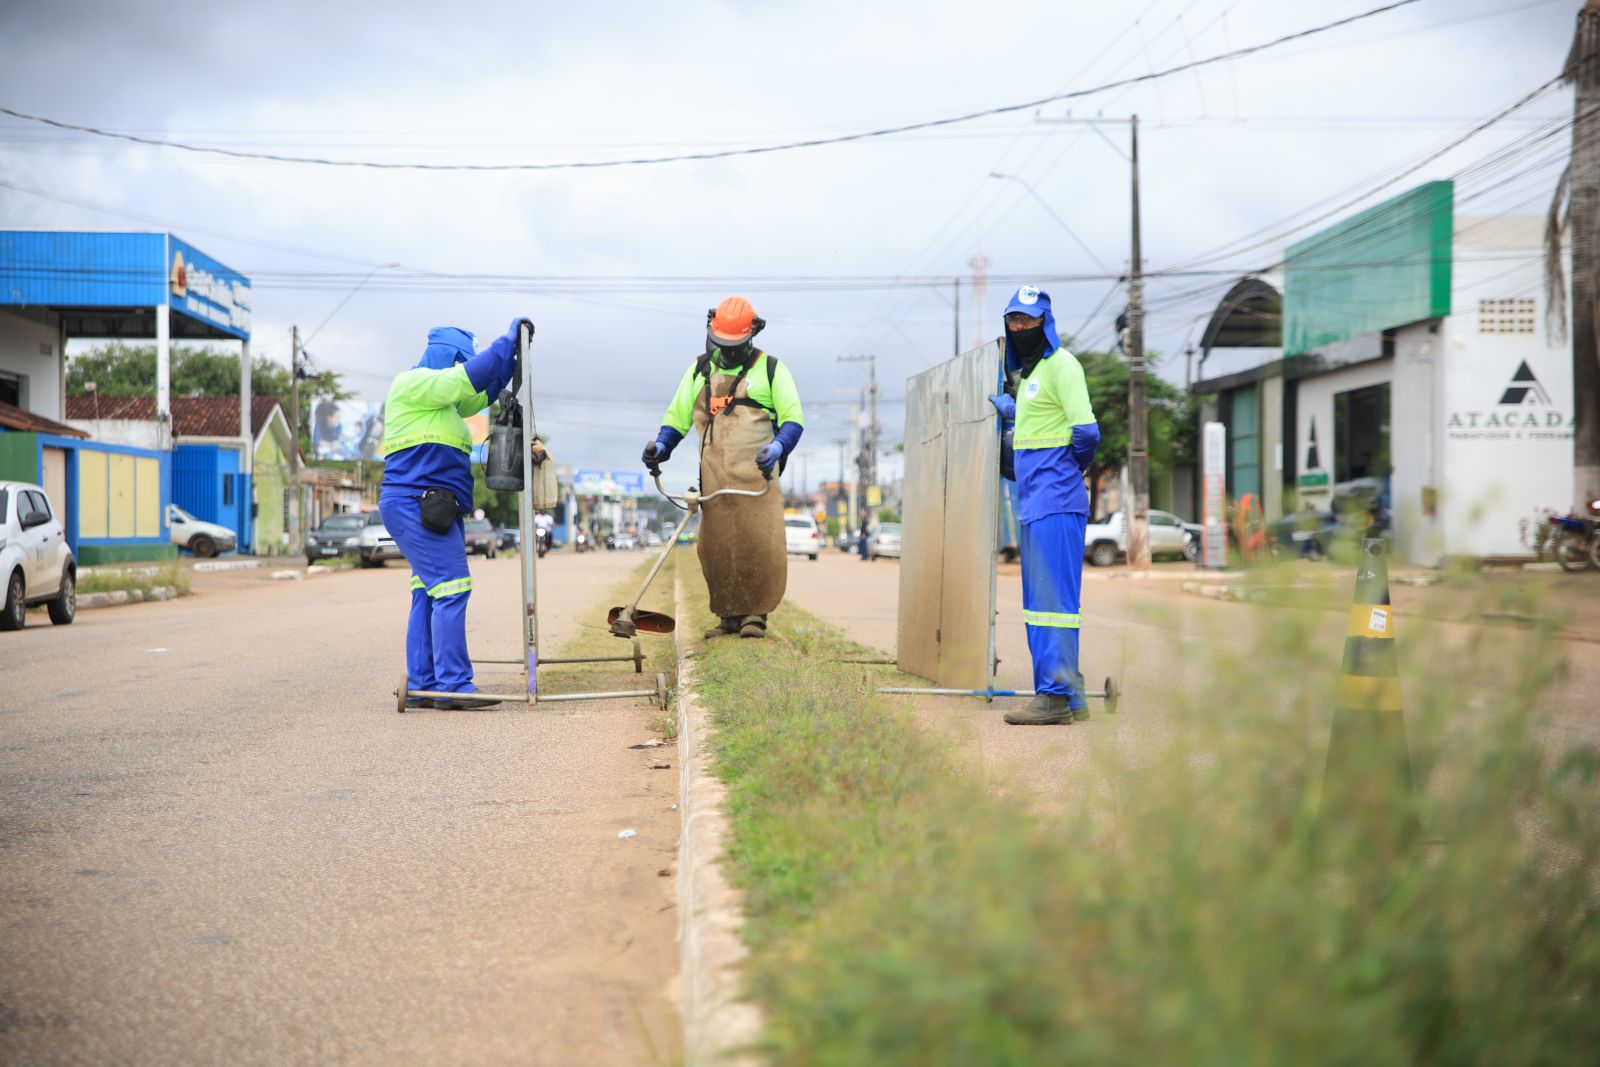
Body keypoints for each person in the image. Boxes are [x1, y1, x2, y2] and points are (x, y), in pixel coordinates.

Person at [380, 320, 525, 709]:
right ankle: (453, 686)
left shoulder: (440, 400)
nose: (462, 365)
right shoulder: (413, 383)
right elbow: (464, 380)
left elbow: (474, 395)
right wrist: (503, 344)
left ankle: (425, 684)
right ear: (447, 355)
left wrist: (505, 369)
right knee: (452, 586)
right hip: (415, 503)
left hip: (432, 506)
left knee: (428, 592)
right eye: (461, 358)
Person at [642, 296, 804, 639]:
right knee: (715, 548)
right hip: (714, 480)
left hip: (757, 478)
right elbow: (677, 418)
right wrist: (661, 447)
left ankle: (755, 616)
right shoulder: (700, 370)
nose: (728, 352)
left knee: (759, 544)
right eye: (722, 344)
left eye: (735, 345)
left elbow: (793, 419)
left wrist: (777, 447)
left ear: (752, 336)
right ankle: (728, 615)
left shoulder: (772, 369)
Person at [988, 285, 1099, 725]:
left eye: (1029, 320)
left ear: (1045, 322)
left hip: (1056, 500)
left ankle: (1052, 697)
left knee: (1053, 603)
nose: (1020, 327)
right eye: (1014, 320)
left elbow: (1086, 432)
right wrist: (1014, 414)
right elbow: (1038, 435)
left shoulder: (1062, 365)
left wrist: (1071, 469)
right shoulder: (1034, 377)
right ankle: (1072, 695)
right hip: (1036, 503)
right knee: (1041, 603)